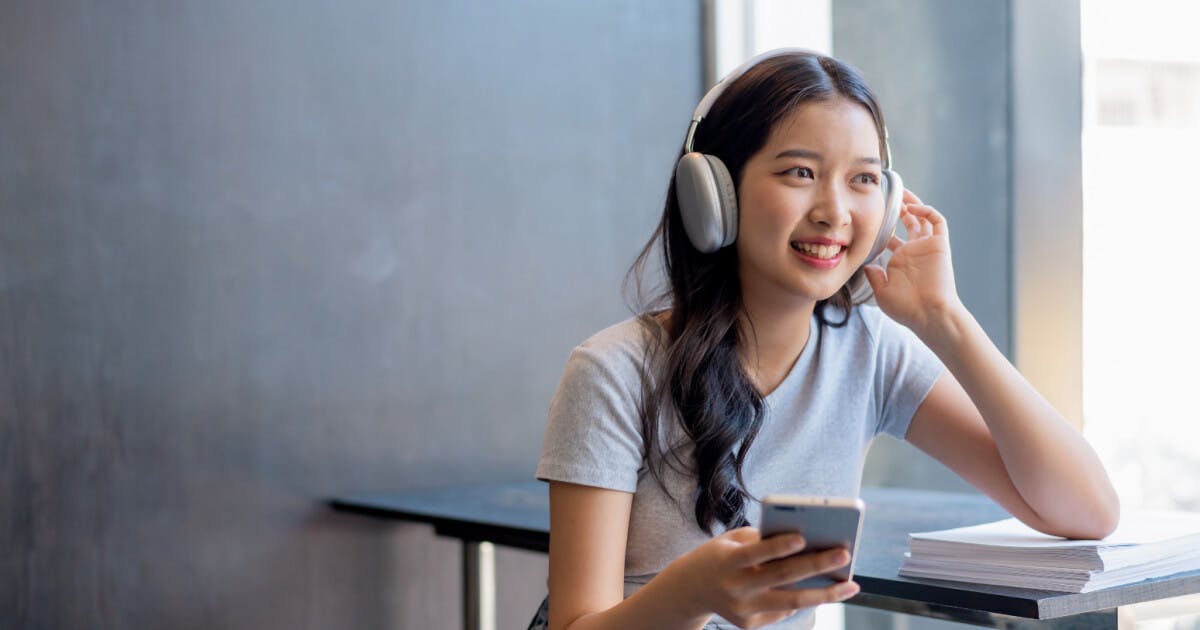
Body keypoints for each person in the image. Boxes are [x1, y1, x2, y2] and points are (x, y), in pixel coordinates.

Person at [529, 49, 1119, 630]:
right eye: (799, 173)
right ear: (714, 193)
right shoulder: (612, 372)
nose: (835, 211)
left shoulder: (870, 351)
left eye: (863, 179)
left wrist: (946, 318)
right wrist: (693, 591)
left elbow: (1086, 509)